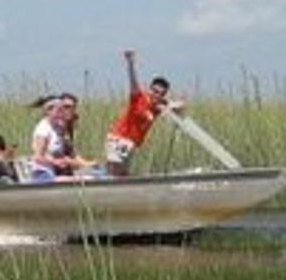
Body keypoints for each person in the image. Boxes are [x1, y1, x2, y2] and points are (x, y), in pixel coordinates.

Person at [105, 49, 182, 177]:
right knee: (114, 172)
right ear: (150, 89)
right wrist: (130, 63)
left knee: (124, 175)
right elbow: (133, 82)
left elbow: (179, 105)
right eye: (155, 91)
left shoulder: (157, 107)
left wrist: (169, 105)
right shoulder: (139, 98)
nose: (156, 95)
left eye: (160, 94)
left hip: (131, 144)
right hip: (119, 139)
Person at [27, 93, 90, 182]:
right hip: (42, 174)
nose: (62, 113)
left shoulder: (56, 128)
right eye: (59, 110)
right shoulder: (43, 130)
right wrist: (56, 162)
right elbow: (38, 157)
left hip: (52, 171)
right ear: (48, 111)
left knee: (86, 177)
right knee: (79, 180)